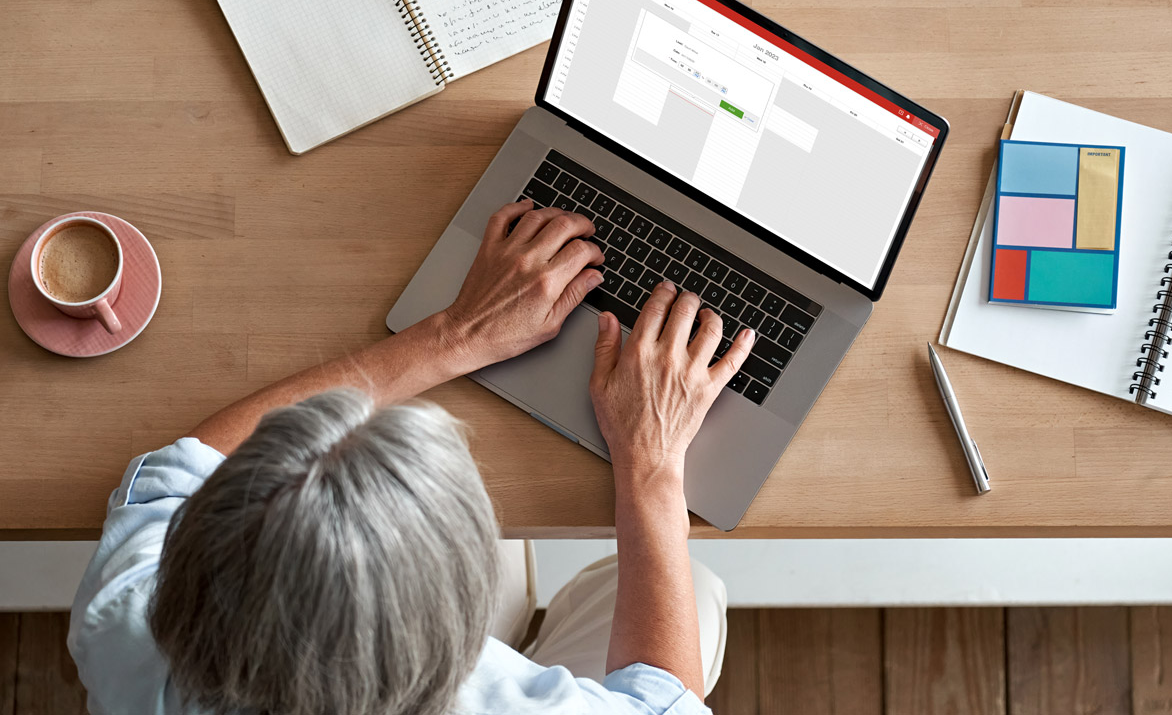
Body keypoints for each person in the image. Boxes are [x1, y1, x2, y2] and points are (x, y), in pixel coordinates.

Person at [68, 199, 755, 715]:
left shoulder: (128, 618)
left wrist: (456, 333)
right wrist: (653, 461)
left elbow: (189, 461)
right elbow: (665, 700)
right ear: (445, 645)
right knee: (692, 591)